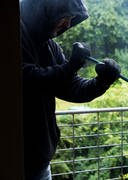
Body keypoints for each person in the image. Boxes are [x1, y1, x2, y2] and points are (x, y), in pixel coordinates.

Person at [19, 0, 121, 179]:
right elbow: (26, 79)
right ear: (46, 9)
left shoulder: (50, 46)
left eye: (72, 18)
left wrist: (102, 82)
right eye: (65, 16)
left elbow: (72, 87)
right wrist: (70, 66)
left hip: (39, 164)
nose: (68, 24)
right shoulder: (12, 34)